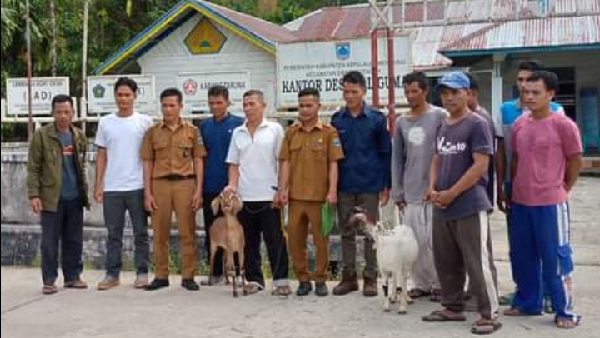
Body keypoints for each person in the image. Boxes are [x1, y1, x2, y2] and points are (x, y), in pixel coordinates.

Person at [422, 72, 501, 335]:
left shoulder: (477, 124)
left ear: (468, 93)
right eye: (445, 93)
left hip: (469, 203)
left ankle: (489, 313)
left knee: (477, 261)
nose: (449, 97)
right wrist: (432, 187)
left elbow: (480, 166)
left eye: (455, 92)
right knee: (446, 259)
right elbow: (437, 157)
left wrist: (452, 192)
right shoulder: (443, 124)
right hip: (442, 204)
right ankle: (452, 306)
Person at [504, 71, 582, 329]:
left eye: (536, 92)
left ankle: (564, 310)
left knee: (556, 258)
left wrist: (562, 188)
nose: (529, 96)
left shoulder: (564, 125)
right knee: (523, 255)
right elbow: (515, 159)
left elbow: (575, 161)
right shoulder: (520, 125)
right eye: (525, 92)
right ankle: (528, 302)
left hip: (550, 203)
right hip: (521, 201)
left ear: (551, 94)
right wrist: (512, 189)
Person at [495, 60, 564, 307]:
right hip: (517, 190)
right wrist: (503, 185)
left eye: (530, 82)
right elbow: (502, 151)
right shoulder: (507, 112)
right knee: (520, 247)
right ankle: (524, 293)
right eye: (521, 81)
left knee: (550, 247)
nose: (525, 88)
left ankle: (550, 295)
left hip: (548, 193)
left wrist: (563, 185)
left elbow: (571, 156)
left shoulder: (557, 113)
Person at [278, 88, 344, 297]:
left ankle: (321, 279)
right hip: (296, 198)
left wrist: (332, 191)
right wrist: (282, 190)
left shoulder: (328, 132)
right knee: (295, 241)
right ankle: (303, 279)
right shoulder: (291, 132)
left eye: (309, 105)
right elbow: (285, 163)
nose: (305, 110)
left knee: (321, 241)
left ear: (318, 106)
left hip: (320, 198)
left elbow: (333, 163)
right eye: (301, 105)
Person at [331, 71, 391, 297]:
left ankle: (370, 279)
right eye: (346, 91)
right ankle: (348, 278)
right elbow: (334, 156)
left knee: (369, 233)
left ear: (363, 91)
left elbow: (385, 152)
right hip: (345, 184)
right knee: (346, 232)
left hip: (370, 184)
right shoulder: (337, 120)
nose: (349, 96)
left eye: (354, 91)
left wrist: (386, 184)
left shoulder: (377, 118)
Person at [225, 89, 290, 296]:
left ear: (264, 106)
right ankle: (254, 279)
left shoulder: (275, 129)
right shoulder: (238, 132)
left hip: (270, 196)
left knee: (275, 240)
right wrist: (232, 188)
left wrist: (282, 189)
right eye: (245, 104)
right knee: (249, 242)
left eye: (252, 104)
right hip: (245, 197)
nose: (248, 108)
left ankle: (280, 281)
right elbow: (234, 164)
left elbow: (283, 161)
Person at [140, 88, 205, 291]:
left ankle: (188, 276)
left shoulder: (192, 131)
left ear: (181, 106)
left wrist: (198, 190)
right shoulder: (152, 132)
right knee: (160, 233)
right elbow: (147, 163)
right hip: (159, 184)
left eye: (172, 105)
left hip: (185, 184)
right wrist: (147, 193)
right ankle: (161, 275)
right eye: (165, 105)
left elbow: (198, 160)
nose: (168, 109)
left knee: (188, 232)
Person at [27, 95, 90, 295]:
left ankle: (73, 277)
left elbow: (82, 165)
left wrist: (85, 192)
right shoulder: (42, 135)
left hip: (74, 198)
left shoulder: (79, 136)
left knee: (74, 240)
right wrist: (34, 195)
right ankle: (49, 279)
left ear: (73, 113)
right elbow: (33, 168)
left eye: (67, 112)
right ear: (53, 113)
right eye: (59, 112)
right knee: (49, 242)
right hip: (51, 198)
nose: (63, 116)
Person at [94, 77, 153, 290]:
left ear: (135, 96)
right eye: (120, 94)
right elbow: (101, 155)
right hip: (112, 188)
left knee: (141, 233)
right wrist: (98, 185)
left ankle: (142, 272)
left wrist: (150, 188)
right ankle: (112, 274)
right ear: (115, 96)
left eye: (128, 94)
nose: (124, 99)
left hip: (137, 186)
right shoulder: (105, 122)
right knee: (113, 235)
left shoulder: (145, 122)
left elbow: (150, 157)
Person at [391, 71, 445, 302]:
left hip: (435, 191)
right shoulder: (401, 121)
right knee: (414, 243)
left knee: (436, 241)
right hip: (411, 190)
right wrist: (397, 191)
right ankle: (421, 284)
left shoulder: (440, 115)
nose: (411, 96)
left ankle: (441, 284)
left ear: (425, 91)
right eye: (407, 91)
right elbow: (397, 159)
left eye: (415, 91)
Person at [199, 85, 244, 286]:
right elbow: (200, 157)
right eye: (211, 103)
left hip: (232, 188)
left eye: (219, 102)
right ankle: (215, 273)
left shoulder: (238, 124)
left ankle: (239, 272)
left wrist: (235, 185)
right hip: (210, 187)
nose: (215, 106)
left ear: (227, 102)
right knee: (214, 231)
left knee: (236, 232)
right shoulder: (204, 126)